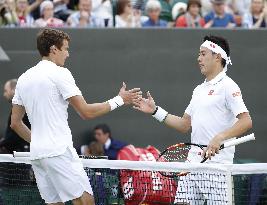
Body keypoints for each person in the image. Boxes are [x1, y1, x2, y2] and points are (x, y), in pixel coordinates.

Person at [10, 28, 141, 205]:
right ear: (53, 49)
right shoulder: (60, 73)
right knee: (85, 201)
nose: (68, 54)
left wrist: (39, 142)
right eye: (65, 48)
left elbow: (15, 123)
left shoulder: (24, 79)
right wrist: (120, 100)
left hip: (38, 155)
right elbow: (86, 112)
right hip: (58, 151)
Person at [133, 35, 252, 204]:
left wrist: (219, 137)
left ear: (217, 57)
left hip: (217, 169)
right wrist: (155, 111)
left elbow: (246, 121)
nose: (199, 59)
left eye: (203, 54)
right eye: (199, 54)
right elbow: (184, 124)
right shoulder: (198, 90)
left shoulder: (229, 86)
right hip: (192, 165)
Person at [0, 79, 30, 154]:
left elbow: (15, 129)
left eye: (6, 90)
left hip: (20, 153)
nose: (4, 94)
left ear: (14, 90)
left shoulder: (22, 107)